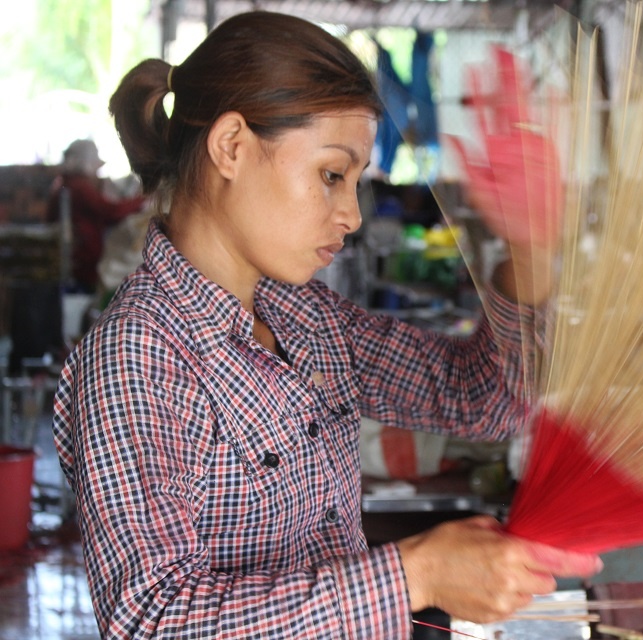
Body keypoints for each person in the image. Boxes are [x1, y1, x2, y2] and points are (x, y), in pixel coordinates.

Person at [51, 11, 599, 639]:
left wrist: (528, 255)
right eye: (332, 175)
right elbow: (152, 620)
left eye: (355, 182)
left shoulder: (303, 318)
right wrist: (413, 576)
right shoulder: (136, 356)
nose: (352, 215)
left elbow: (479, 400)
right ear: (231, 146)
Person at [47, 138, 146, 293]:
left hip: (78, 261)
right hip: (82, 264)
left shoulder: (63, 184)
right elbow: (111, 211)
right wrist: (141, 200)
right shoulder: (79, 187)